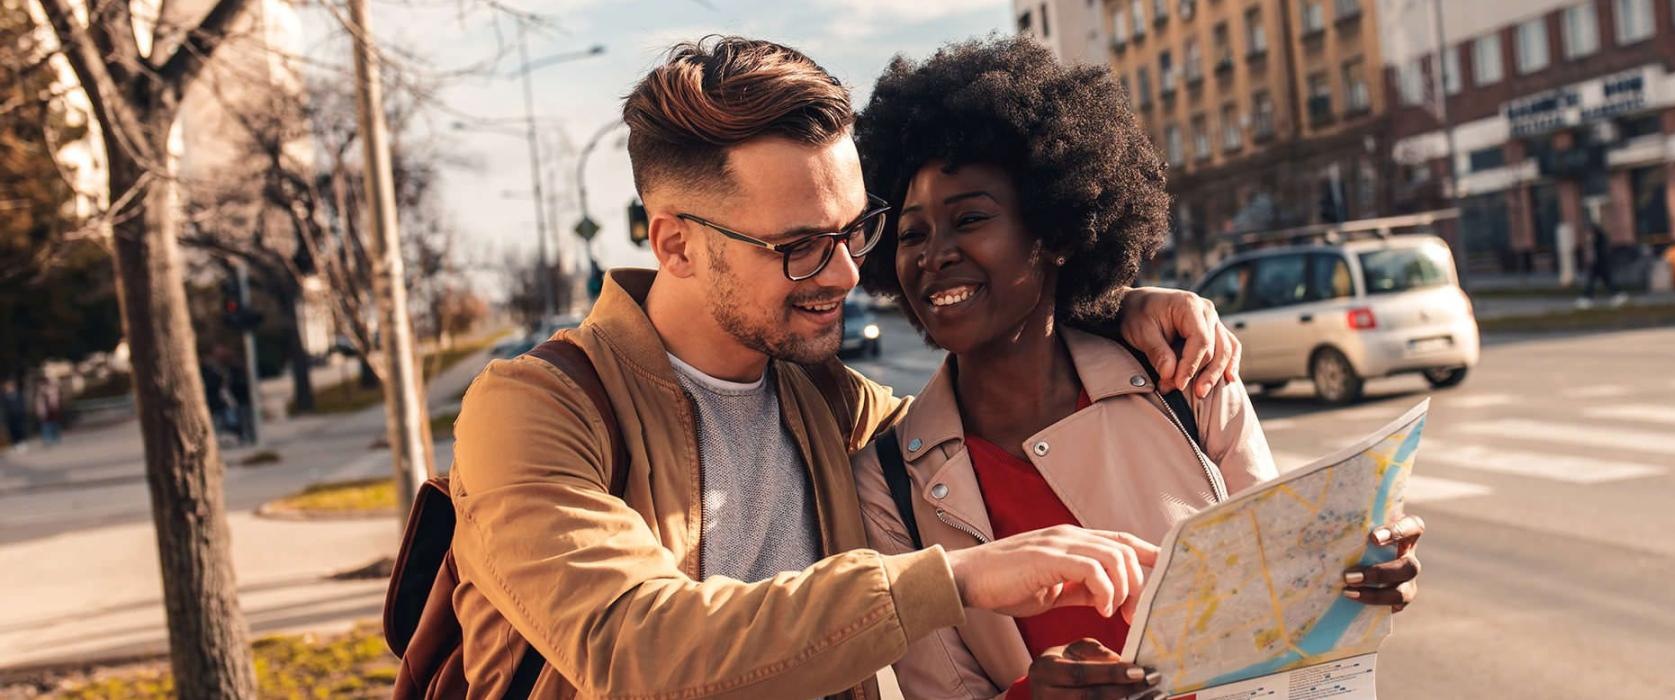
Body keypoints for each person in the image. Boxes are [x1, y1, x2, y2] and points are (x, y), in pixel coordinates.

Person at [447, 36, 1248, 698]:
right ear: (675, 245)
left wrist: (1106, 302)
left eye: (854, 231)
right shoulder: (535, 409)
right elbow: (636, 647)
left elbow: (996, 358)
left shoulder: (831, 404)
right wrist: (955, 580)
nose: (840, 274)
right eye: (797, 247)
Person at [850, 37, 1425, 698]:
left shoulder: (1184, 376)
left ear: (1056, 233)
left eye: (970, 219)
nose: (934, 255)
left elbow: (1284, 595)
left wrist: (1361, 576)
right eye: (913, 234)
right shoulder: (889, 479)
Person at [1577, 218, 1627, 309]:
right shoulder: (1597, 237)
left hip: (1600, 263)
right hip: (1599, 264)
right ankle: (1617, 295)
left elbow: (1600, 251)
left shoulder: (1598, 238)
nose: (1587, 232)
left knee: (1596, 282)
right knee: (1603, 281)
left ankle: (1586, 299)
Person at [34, 375, 62, 446]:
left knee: (54, 424)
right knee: (45, 425)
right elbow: (38, 403)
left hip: (52, 410)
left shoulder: (52, 389)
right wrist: (39, 411)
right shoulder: (39, 393)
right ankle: (47, 439)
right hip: (45, 411)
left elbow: (55, 398)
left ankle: (55, 438)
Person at [2, 380, 26, 450]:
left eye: (11, 387)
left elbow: (22, 404)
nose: (9, 389)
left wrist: (22, 411)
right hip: (10, 417)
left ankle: (21, 442)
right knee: (12, 430)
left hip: (19, 415)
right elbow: (4, 407)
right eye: (8, 387)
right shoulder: (5, 397)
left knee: (20, 429)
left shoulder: (18, 395)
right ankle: (16, 443)